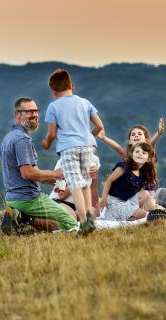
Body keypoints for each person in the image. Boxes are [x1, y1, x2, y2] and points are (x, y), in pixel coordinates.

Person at [0, 97, 95, 235]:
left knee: (56, 222)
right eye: (29, 111)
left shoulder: (9, 137)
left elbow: (28, 173)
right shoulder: (22, 139)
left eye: (35, 111)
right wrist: (54, 173)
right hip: (29, 198)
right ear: (17, 114)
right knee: (73, 225)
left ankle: (23, 216)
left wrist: (52, 181)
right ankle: (26, 217)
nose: (34, 114)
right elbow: (27, 173)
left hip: (13, 198)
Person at [41, 68, 104, 225]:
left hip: (69, 148)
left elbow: (52, 133)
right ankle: (89, 218)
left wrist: (46, 143)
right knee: (85, 185)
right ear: (72, 86)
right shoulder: (85, 103)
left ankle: (84, 222)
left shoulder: (54, 107)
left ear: (53, 91)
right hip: (88, 146)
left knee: (76, 185)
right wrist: (87, 136)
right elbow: (99, 126)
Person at [96, 143, 158, 221]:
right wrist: (104, 199)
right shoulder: (124, 167)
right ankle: (117, 217)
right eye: (137, 152)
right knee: (143, 213)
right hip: (114, 201)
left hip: (127, 200)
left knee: (145, 194)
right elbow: (109, 181)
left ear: (148, 159)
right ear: (132, 155)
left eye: (144, 153)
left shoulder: (143, 174)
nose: (140, 154)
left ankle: (131, 213)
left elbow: (139, 191)